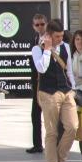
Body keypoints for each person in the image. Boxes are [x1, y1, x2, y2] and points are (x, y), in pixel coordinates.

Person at [33, 20, 78, 162]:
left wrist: (73, 88)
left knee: (73, 126)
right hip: (48, 93)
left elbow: (70, 70)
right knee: (51, 131)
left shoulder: (65, 46)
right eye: (57, 36)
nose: (60, 39)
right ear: (49, 35)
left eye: (61, 36)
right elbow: (41, 68)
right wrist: (47, 49)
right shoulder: (37, 49)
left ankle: (61, 158)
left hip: (66, 91)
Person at [27, 13, 48, 154]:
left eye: (42, 24)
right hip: (37, 82)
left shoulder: (49, 39)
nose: (40, 27)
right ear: (33, 26)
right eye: (37, 24)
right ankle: (37, 144)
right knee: (35, 114)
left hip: (48, 82)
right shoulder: (34, 39)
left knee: (51, 116)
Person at [69, 30, 82, 162]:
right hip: (78, 96)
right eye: (77, 40)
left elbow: (78, 75)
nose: (80, 42)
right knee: (81, 132)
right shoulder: (72, 56)